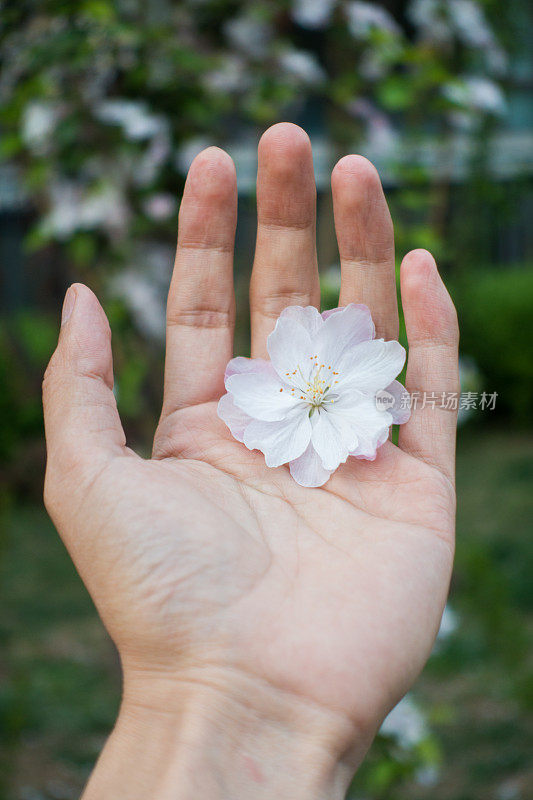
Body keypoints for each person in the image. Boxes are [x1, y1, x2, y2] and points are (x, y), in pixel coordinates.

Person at [42, 123, 459, 799]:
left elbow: (369, 395)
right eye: (309, 379)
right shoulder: (281, 398)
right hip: (293, 432)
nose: (314, 382)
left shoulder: (355, 384)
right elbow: (277, 422)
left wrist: (203, 697)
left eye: (315, 379)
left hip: (339, 429)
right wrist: (209, 686)